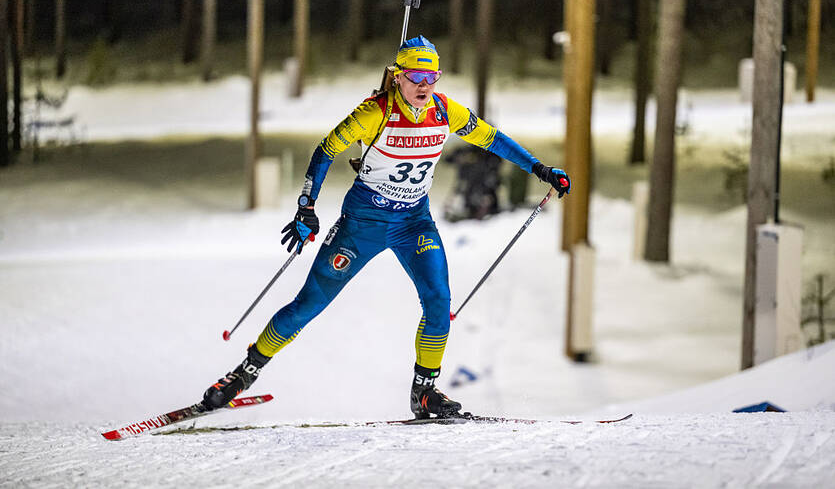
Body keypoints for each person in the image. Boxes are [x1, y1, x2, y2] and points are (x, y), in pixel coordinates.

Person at [202, 36, 570, 419]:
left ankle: (424, 391)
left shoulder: (445, 111)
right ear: (398, 77)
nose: (424, 86)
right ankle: (244, 373)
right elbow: (326, 150)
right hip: (363, 224)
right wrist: (306, 206)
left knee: (438, 301)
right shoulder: (374, 112)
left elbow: (492, 139)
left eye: (432, 77)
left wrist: (539, 169)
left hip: (414, 222)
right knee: (308, 305)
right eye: (415, 77)